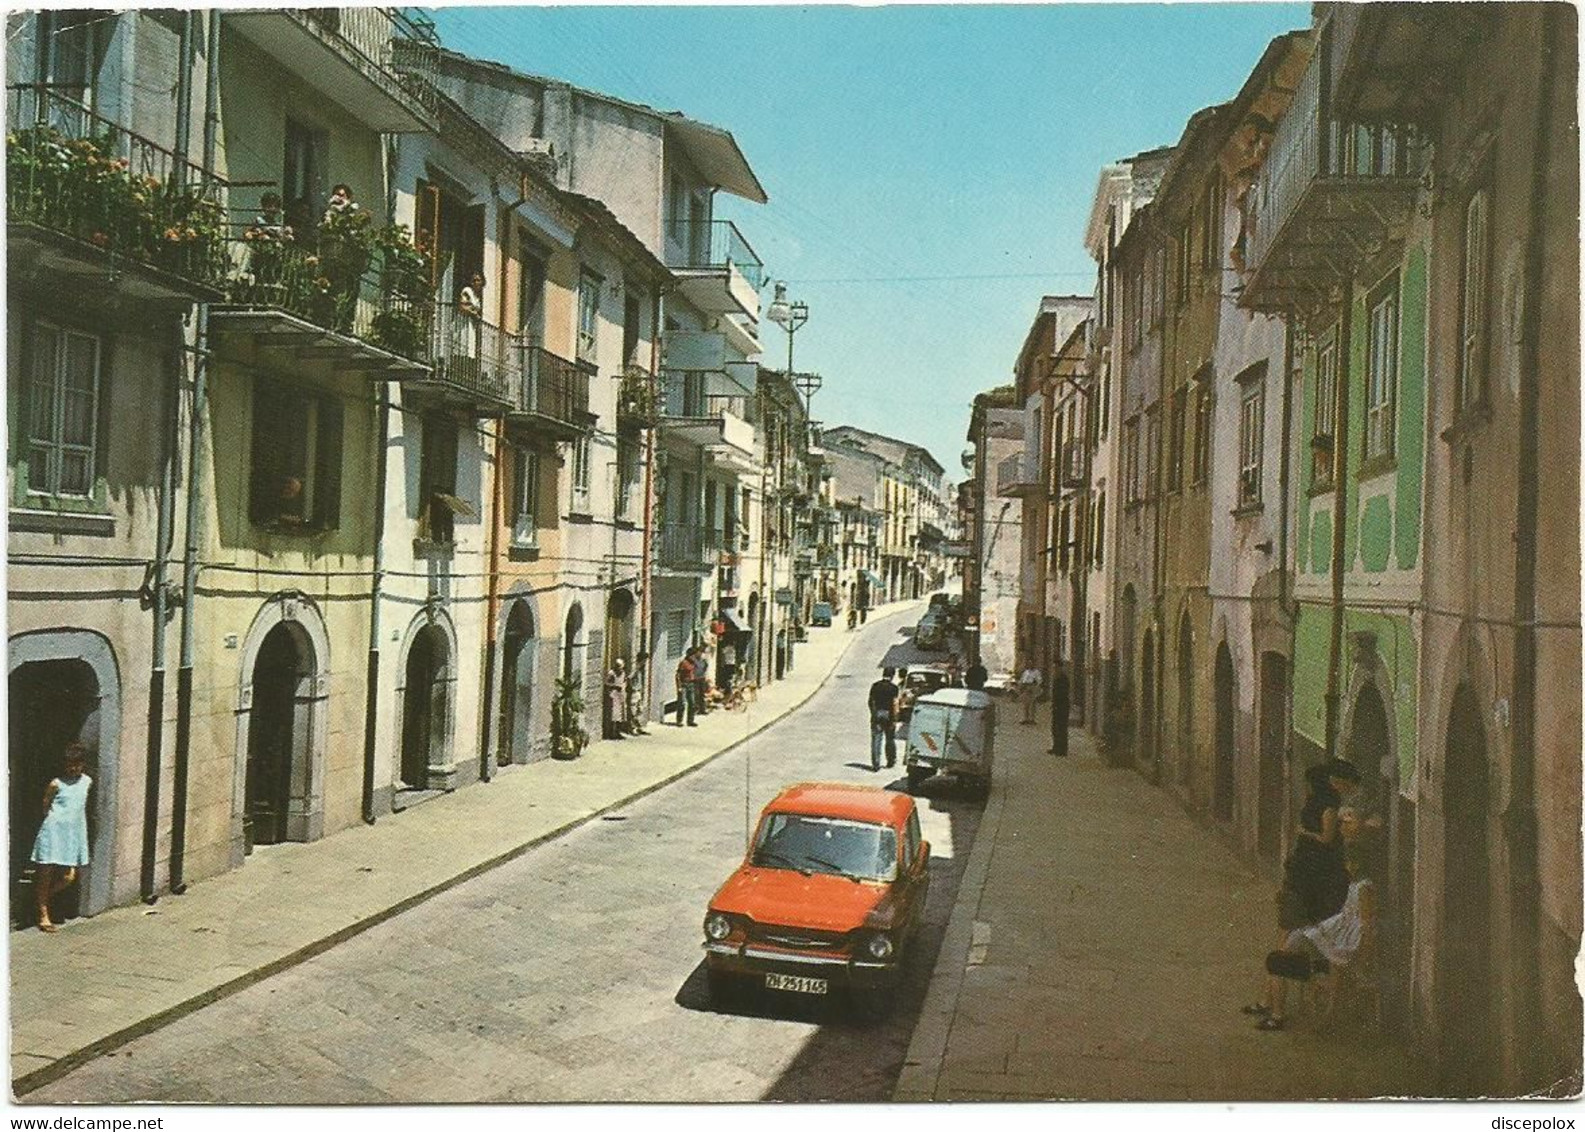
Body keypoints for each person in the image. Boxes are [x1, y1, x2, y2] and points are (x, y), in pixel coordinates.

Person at [1248, 808, 1376, 1031]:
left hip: (1338, 929)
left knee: (1289, 952)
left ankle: (1279, 1007)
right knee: (1290, 947)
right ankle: (1276, 998)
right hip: (1328, 922)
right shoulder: (1339, 865)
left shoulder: (1360, 884)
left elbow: (1365, 921)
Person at [32, 743, 92, 933]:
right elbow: (45, 804)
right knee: (46, 873)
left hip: (73, 834)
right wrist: (55, 820)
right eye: (69, 764)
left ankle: (41, 899)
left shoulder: (87, 782)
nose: (72, 768)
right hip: (53, 831)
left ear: (83, 764)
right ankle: (43, 915)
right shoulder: (56, 783)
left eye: (76, 764)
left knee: (69, 876)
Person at [867, 668, 900, 772]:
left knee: (876, 739)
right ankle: (891, 760)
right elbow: (895, 703)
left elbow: (870, 701)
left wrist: (873, 714)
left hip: (877, 713)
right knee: (890, 738)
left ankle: (875, 764)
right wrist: (894, 719)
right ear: (893, 675)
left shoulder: (875, 686)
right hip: (888, 714)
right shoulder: (894, 688)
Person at [1049, 661, 1071, 757]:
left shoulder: (1063, 679)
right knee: (1055, 727)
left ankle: (1062, 749)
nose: (1055, 670)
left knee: (1061, 727)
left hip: (1062, 706)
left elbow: (1062, 693)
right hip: (1057, 705)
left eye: (1056, 668)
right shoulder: (1057, 678)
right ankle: (1056, 747)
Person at [604, 659, 628, 740]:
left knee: (621, 714)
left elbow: (624, 681)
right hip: (613, 695)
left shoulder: (623, 673)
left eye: (621, 667)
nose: (620, 669)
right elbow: (606, 683)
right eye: (618, 667)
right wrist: (614, 686)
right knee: (613, 715)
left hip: (621, 695)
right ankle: (611, 733)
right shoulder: (611, 673)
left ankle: (618, 732)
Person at [673, 649, 697, 727]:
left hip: (691, 684)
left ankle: (690, 720)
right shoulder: (683, 663)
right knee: (682, 703)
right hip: (684, 684)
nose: (694, 657)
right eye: (693, 655)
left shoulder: (693, 663)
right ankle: (679, 720)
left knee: (692, 703)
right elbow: (678, 675)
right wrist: (679, 686)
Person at [693, 648, 711, 716]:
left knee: (702, 694)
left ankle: (702, 709)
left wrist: (704, 675)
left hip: (702, 678)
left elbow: (705, 667)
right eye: (698, 652)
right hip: (695, 679)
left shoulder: (703, 660)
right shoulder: (694, 661)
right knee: (696, 694)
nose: (699, 654)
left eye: (700, 652)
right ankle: (696, 708)